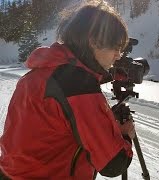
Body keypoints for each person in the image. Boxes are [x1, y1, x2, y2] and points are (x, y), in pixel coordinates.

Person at [0, 1, 135, 179]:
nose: (118, 56)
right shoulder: (78, 85)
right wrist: (125, 136)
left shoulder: (39, 73)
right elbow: (113, 163)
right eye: (116, 48)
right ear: (94, 41)